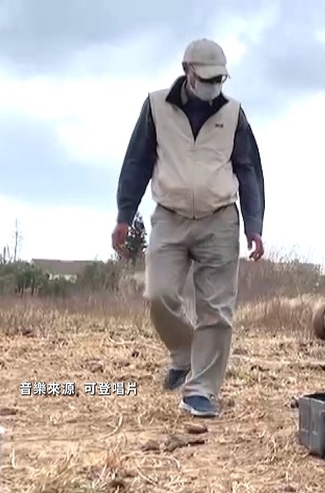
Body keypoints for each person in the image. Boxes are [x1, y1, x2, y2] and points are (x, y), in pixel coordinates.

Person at [112, 38, 265, 418]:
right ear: (188, 72)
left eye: (220, 79)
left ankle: (201, 391)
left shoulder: (233, 113)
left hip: (220, 219)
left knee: (217, 311)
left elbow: (248, 169)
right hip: (170, 215)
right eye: (207, 78)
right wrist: (123, 215)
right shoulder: (156, 107)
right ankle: (184, 352)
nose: (214, 86)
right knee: (159, 293)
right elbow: (137, 162)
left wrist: (255, 225)